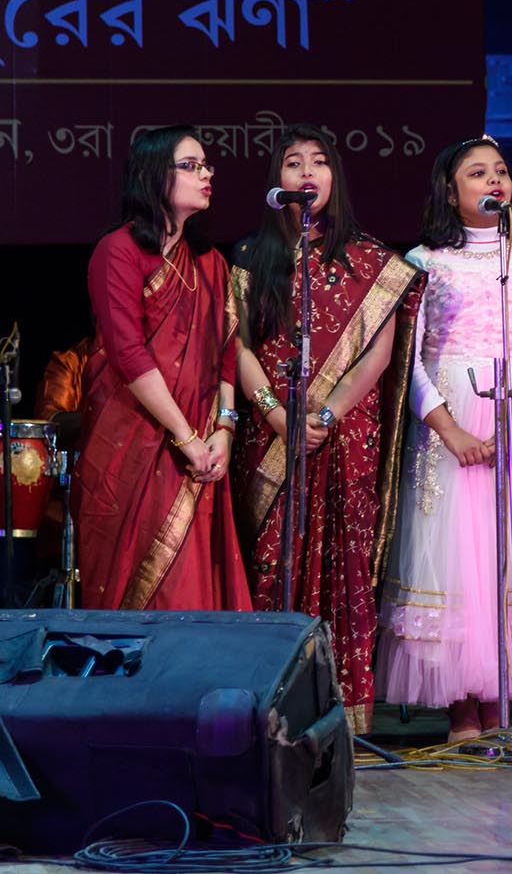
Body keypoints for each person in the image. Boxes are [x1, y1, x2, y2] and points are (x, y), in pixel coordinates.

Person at [377, 138, 512, 743]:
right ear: (450, 191)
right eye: (477, 173)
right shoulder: (423, 262)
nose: (494, 181)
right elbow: (406, 360)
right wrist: (448, 427)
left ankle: (503, 708)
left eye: (500, 171)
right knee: (454, 560)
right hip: (449, 429)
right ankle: (462, 712)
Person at [231, 125, 423, 734]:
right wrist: (276, 413)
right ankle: (265, 713)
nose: (307, 172)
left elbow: (377, 355)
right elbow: (237, 346)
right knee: (271, 565)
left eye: (319, 162)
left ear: (335, 178)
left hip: (343, 438)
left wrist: (323, 416)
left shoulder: (370, 262)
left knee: (345, 565)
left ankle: (340, 720)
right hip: (271, 437)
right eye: (294, 163)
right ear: (277, 180)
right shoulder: (249, 258)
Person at [74, 125, 251, 611]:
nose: (206, 174)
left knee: (191, 590)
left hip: (200, 451)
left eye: (207, 165)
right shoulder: (118, 251)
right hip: (132, 446)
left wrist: (223, 430)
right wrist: (185, 437)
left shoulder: (211, 264)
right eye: (191, 166)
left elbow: (226, 356)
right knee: (134, 594)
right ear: (154, 175)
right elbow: (128, 353)